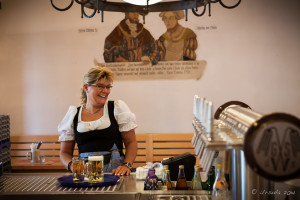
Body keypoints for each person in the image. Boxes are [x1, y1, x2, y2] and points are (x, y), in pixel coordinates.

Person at [58, 66, 138, 176]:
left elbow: (131, 143)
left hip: (115, 176)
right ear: (86, 87)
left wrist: (127, 165)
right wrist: (72, 166)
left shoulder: (117, 108)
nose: (105, 91)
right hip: (86, 177)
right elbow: (65, 152)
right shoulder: (73, 115)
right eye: (100, 86)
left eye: (108, 87)